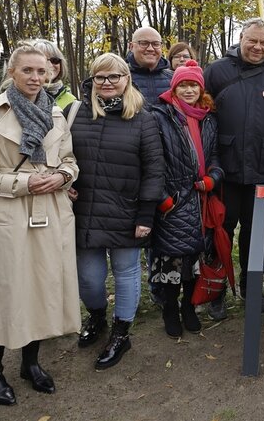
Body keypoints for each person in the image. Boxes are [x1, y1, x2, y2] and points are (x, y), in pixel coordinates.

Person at [0, 45, 79, 406]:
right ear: (12, 72)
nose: (36, 78)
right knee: (5, 291)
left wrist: (61, 176)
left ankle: (31, 364)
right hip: (9, 215)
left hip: (52, 212)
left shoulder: (56, 114)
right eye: (28, 71)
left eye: (42, 72)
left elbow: (71, 160)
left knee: (43, 288)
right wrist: (24, 183)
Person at [70, 54, 164, 369]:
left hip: (127, 210)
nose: (107, 83)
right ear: (92, 80)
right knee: (90, 278)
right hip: (84, 210)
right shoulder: (75, 113)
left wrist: (145, 215)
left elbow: (154, 169)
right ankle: (97, 316)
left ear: (126, 79)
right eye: (100, 77)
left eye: (114, 77)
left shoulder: (143, 117)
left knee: (126, 273)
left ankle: (121, 332)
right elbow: (61, 158)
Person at [204, 18, 264, 317]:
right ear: (240, 39)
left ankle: (250, 288)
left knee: (254, 234)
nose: (257, 47)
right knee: (222, 231)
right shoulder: (217, 71)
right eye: (252, 41)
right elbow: (203, 116)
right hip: (224, 170)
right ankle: (216, 290)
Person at [147, 59, 224, 336]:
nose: (189, 90)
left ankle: (188, 306)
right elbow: (152, 162)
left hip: (201, 197)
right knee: (170, 259)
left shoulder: (209, 118)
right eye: (183, 85)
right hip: (174, 200)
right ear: (174, 87)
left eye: (193, 85)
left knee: (194, 258)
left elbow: (215, 155)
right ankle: (170, 308)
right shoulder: (159, 116)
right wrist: (164, 199)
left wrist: (213, 177)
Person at [24, 39, 76, 110]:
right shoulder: (17, 95)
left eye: (55, 60)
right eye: (43, 60)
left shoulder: (72, 101)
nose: (50, 65)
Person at [127, 27, 174, 104]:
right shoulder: (119, 78)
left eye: (156, 44)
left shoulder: (174, 79)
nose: (150, 48)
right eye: (143, 43)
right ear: (131, 47)